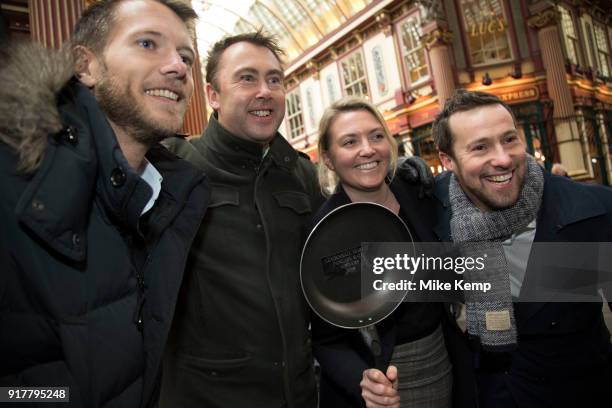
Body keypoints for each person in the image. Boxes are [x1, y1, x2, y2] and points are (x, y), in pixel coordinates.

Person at [160, 31, 432, 407]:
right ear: (212, 95)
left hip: (299, 393)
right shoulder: (175, 168)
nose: (265, 91)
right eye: (247, 78)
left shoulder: (300, 175)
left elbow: (353, 238)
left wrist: (403, 176)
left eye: (274, 79)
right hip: (210, 396)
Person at [0, 1, 210, 407]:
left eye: (186, 56)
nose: (179, 67)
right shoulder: (13, 178)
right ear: (86, 66)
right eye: (148, 43)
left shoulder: (168, 202)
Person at [432, 90, 612, 407]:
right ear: (448, 161)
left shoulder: (589, 213)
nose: (502, 158)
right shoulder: (436, 209)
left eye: (510, 139)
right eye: (480, 147)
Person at [311, 97, 453, 408]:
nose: (367, 149)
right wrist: (361, 380)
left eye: (376, 136)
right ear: (329, 158)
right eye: (350, 141)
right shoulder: (326, 233)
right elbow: (325, 338)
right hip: (383, 380)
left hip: (445, 361)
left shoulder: (417, 193)